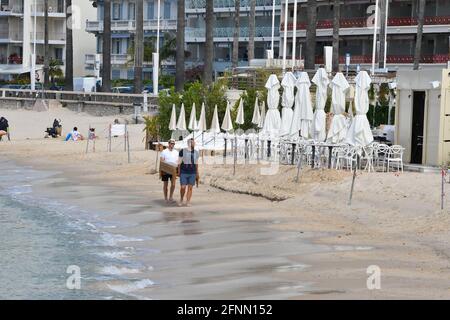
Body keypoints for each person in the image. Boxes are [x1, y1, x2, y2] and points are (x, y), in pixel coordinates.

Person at [178, 138, 200, 207]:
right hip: (183, 171)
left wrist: (197, 173)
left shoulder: (196, 152)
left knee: (190, 187)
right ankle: (181, 199)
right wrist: (179, 171)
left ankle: (188, 201)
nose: (194, 144)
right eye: (192, 142)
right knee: (183, 187)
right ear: (189, 143)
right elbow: (179, 162)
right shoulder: (182, 151)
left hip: (192, 172)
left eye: (194, 142)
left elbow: (196, 163)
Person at [160, 139, 178, 204]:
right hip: (165, 169)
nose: (172, 145)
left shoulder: (176, 152)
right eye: (171, 143)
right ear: (168, 144)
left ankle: (170, 197)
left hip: (173, 169)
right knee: (165, 184)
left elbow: (178, 161)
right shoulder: (164, 151)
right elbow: (161, 160)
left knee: (173, 184)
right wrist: (161, 171)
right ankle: (165, 198)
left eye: (173, 144)